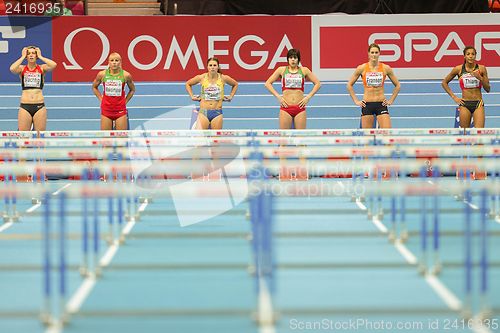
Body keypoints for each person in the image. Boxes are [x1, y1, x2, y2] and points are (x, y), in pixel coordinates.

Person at [347, 43, 400, 129]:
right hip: (367, 105)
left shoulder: (386, 68)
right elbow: (349, 85)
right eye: (372, 52)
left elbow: (397, 85)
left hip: (381, 104)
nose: (374, 55)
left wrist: (391, 100)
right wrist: (356, 101)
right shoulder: (362, 68)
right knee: (367, 138)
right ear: (368, 53)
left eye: (376, 52)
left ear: (379, 53)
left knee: (387, 134)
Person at [264, 49, 321, 129]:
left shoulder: (304, 70)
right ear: (288, 59)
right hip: (286, 108)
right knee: (284, 138)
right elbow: (267, 83)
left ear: (298, 59)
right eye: (291, 57)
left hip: (300, 108)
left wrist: (308, 97)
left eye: (295, 57)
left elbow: (318, 83)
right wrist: (278, 97)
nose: (293, 59)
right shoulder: (282, 70)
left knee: (300, 139)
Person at [9, 46, 57, 131]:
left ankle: (38, 144)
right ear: (26, 56)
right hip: (25, 106)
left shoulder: (42, 68)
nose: (31, 55)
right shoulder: (22, 68)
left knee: (40, 138)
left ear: (36, 56)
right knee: (23, 139)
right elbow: (12, 69)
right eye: (28, 53)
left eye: (33, 53)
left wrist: (41, 56)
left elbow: (53, 65)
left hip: (39, 106)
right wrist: (22, 56)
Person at [442, 46, 490, 128]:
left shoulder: (481, 69)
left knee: (480, 135)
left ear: (475, 56)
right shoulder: (458, 69)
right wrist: (454, 97)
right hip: (465, 104)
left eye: (473, 54)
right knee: (464, 135)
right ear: (464, 56)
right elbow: (444, 82)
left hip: (478, 103)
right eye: (468, 54)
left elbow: (488, 89)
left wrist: (480, 78)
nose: (471, 56)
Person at [185, 57, 238, 130]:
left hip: (217, 112)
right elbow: (188, 84)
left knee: (215, 139)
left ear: (218, 67)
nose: (212, 67)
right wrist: (192, 96)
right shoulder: (202, 78)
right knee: (199, 138)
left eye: (214, 65)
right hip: (203, 112)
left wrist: (231, 96)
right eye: (210, 65)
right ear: (207, 67)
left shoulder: (223, 78)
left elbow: (235, 84)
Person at [92, 52, 135, 130]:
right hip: (106, 110)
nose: (114, 62)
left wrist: (125, 102)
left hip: (120, 110)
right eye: (112, 60)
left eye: (116, 60)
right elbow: (94, 87)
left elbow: (132, 90)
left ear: (120, 62)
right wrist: (101, 99)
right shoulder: (102, 74)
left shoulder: (126, 75)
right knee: (106, 141)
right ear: (108, 62)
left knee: (121, 140)